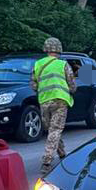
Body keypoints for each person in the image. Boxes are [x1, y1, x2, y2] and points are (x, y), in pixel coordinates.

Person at [30, 37, 77, 177]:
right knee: (55, 129)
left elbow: (34, 85)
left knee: (52, 129)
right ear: (59, 50)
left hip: (44, 101)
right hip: (60, 100)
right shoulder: (63, 65)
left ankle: (62, 154)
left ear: (46, 49)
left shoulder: (37, 64)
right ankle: (47, 161)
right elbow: (72, 84)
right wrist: (72, 90)